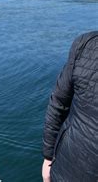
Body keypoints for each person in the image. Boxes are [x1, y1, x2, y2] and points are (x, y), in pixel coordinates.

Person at [42, 31, 98, 182]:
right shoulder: (84, 44)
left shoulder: (85, 44)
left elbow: (58, 103)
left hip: (67, 167)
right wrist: (48, 158)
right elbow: (58, 103)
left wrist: (48, 158)